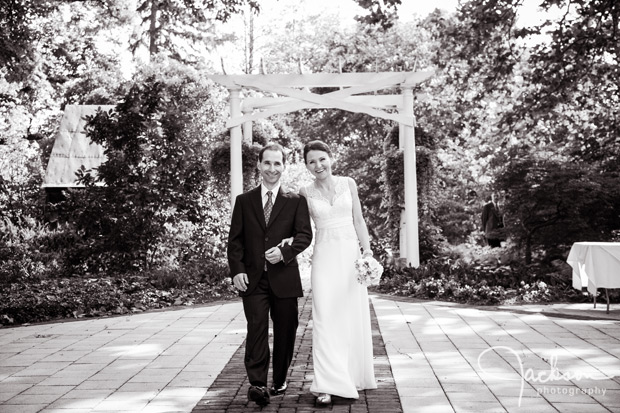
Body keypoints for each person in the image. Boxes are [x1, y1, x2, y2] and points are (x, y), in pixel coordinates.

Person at [227, 142, 313, 407]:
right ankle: (257, 384)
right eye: (267, 163)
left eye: (277, 163)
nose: (272, 168)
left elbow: (304, 236)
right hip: (253, 280)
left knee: (286, 331)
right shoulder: (244, 201)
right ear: (259, 165)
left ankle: (280, 379)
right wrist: (237, 271)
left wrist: (285, 252)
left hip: (284, 278)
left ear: (284, 166)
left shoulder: (296, 201)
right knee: (257, 329)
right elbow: (235, 241)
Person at [299, 140, 377, 405]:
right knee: (324, 318)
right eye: (312, 161)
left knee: (350, 315)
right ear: (307, 166)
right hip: (324, 259)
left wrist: (367, 252)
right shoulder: (304, 192)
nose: (318, 165)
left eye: (322, 159)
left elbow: (358, 220)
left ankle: (353, 374)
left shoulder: (349, 183)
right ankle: (326, 385)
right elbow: (300, 229)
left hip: (350, 257)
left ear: (330, 158)